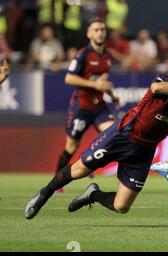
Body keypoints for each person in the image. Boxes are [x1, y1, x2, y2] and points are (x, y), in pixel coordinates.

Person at [24, 69, 168, 220]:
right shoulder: (166, 83)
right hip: (122, 135)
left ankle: (93, 195)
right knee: (79, 170)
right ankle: (43, 195)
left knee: (122, 206)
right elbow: (156, 88)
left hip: (144, 151)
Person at [53, 18, 119, 193]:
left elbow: (102, 82)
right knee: (71, 146)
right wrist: (94, 85)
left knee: (113, 132)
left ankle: (90, 161)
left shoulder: (107, 56)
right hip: (81, 106)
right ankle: (56, 180)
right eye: (96, 30)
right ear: (89, 33)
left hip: (98, 104)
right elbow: (69, 78)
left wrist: (113, 95)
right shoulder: (83, 54)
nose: (100, 33)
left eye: (102, 29)